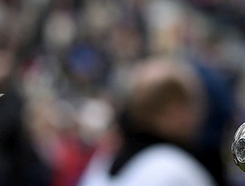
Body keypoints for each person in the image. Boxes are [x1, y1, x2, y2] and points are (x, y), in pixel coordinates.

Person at [78, 58, 215, 186]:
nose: (198, 114)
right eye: (190, 103)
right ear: (174, 110)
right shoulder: (175, 170)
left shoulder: (103, 164)